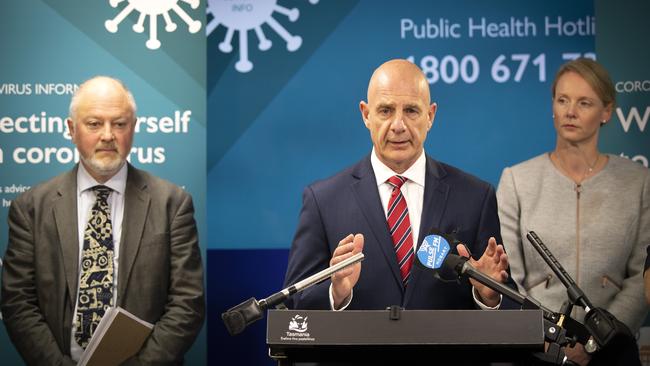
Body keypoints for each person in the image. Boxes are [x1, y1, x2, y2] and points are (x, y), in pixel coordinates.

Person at [283, 59, 516, 315]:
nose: (398, 125)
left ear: (430, 116)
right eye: (385, 110)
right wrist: (335, 292)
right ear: (366, 115)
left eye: (411, 111)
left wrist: (490, 296)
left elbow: (508, 305)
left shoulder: (475, 197)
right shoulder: (323, 200)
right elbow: (295, 303)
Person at [1, 76, 205, 365]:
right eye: (94, 124)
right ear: (72, 130)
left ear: (133, 129)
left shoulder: (172, 203)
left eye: (120, 124)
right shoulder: (30, 208)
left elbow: (188, 304)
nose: (108, 135)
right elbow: (18, 303)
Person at [497, 58, 649, 365]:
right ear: (552, 105)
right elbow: (508, 275)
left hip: (614, 351)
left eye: (584, 103)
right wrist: (547, 336)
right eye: (562, 100)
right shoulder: (516, 180)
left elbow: (640, 277)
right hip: (536, 349)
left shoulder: (638, 181)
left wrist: (599, 341)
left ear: (606, 112)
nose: (570, 112)